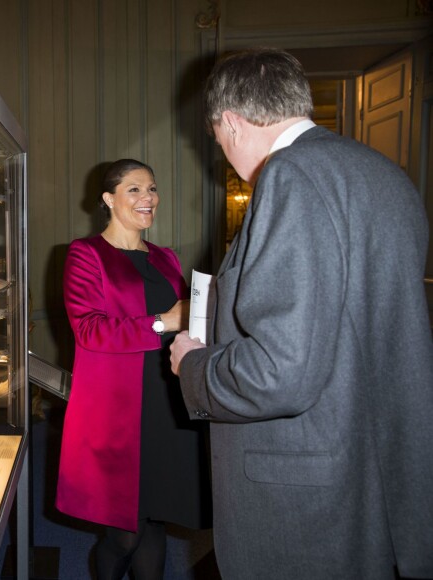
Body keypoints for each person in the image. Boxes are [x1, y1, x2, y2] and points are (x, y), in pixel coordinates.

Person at [170, 48, 433, 579]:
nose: (225, 156)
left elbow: (279, 373)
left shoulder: (291, 175)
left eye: (219, 142)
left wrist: (193, 366)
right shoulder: (383, 173)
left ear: (233, 123)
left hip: (301, 494)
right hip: (367, 466)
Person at [56, 159, 212, 579]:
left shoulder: (165, 257)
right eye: (135, 189)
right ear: (108, 199)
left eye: (153, 189)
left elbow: (184, 321)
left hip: (167, 398)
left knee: (154, 516)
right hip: (117, 409)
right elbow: (90, 330)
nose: (148, 198)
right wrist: (163, 321)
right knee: (124, 532)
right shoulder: (85, 254)